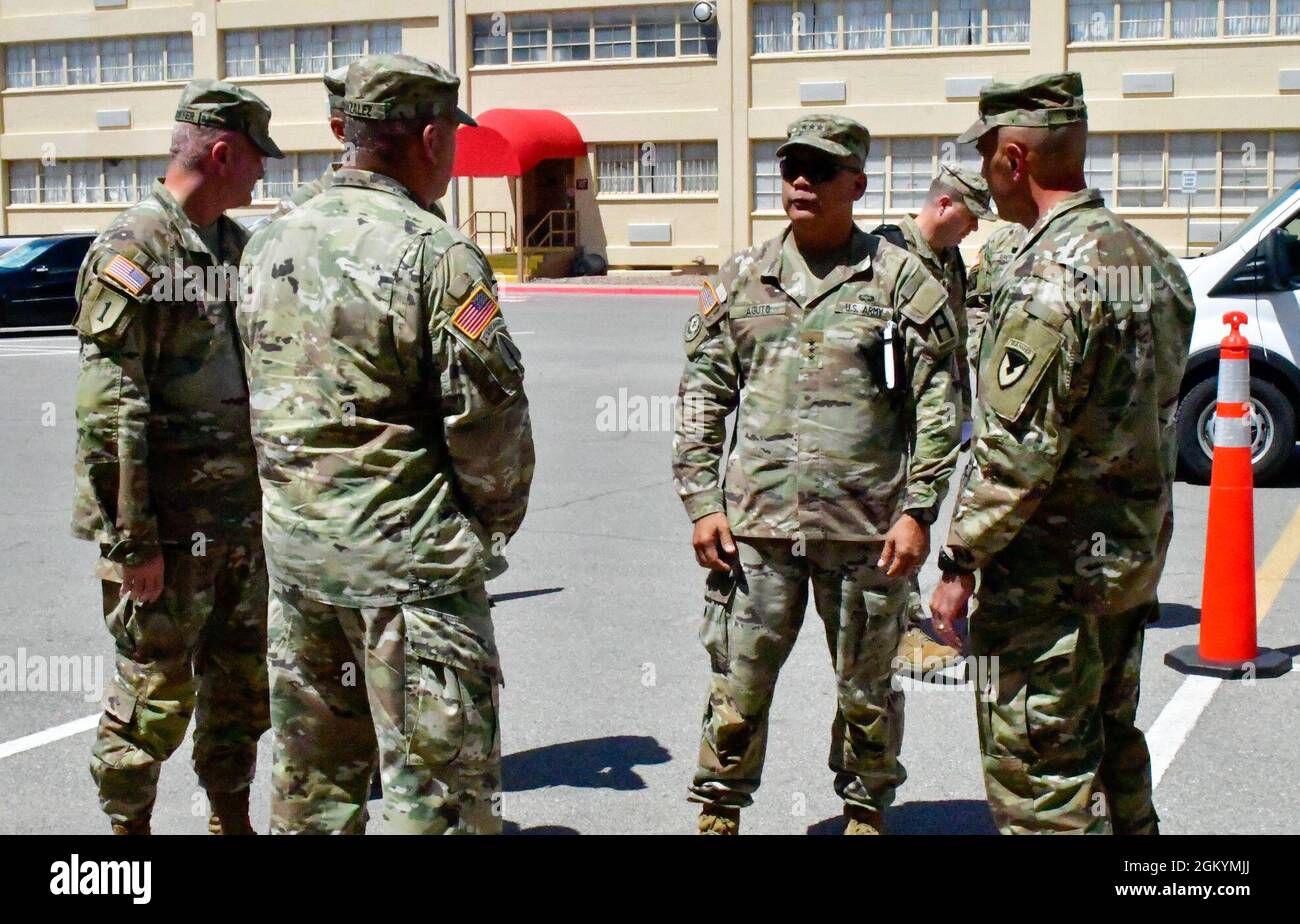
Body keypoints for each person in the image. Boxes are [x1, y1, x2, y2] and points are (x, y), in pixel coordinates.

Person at [237, 53, 534, 835]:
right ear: (431, 137)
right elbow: (488, 422)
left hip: (300, 566)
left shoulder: (269, 243)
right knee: (437, 798)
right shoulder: (437, 254)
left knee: (314, 794)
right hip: (411, 573)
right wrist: (491, 520)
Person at [673, 115, 961, 835]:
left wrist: (919, 510)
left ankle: (865, 812)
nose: (801, 180)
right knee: (737, 686)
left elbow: (939, 405)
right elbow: (703, 393)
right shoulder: (744, 277)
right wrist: (702, 501)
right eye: (791, 166)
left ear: (857, 184)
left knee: (867, 692)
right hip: (757, 531)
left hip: (868, 533)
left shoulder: (901, 282)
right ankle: (718, 811)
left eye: (821, 169)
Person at [929, 72, 1195, 834]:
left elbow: (1014, 460)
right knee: (1114, 750)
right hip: (1128, 564)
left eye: (986, 159)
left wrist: (957, 565)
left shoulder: (1049, 278)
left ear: (1015, 160)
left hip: (1050, 583)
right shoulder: (1152, 263)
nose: (982, 176)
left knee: (1042, 780)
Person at [72, 79, 283, 835]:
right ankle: (128, 840)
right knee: (152, 699)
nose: (264, 173)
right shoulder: (134, 250)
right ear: (223, 152)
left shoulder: (234, 248)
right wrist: (134, 541)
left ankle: (230, 820)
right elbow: (111, 410)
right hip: (164, 531)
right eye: (257, 158)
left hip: (241, 525)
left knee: (239, 691)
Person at [871, 163, 995, 677]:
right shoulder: (886, 251)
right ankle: (893, 633)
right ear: (944, 205)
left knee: (918, 512)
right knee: (900, 518)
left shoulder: (948, 260)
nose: (974, 229)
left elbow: (956, 338)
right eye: (970, 217)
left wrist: (961, 413)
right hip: (895, 417)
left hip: (936, 413)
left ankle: (904, 618)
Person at [964, 220, 1027, 362]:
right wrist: (981, 356)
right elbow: (976, 304)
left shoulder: (1077, 240)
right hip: (999, 365)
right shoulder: (1000, 241)